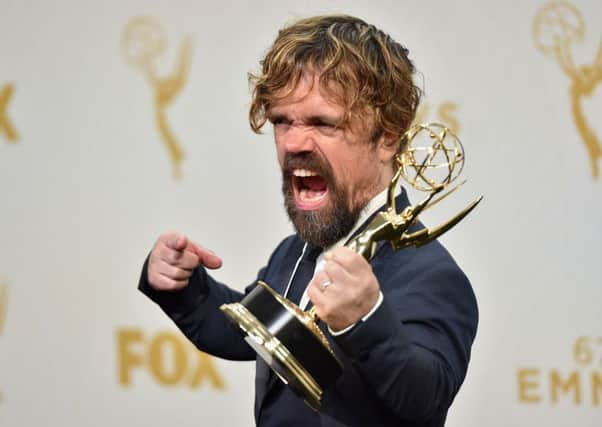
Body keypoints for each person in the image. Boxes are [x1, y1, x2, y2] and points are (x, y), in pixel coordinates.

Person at [138, 14, 478, 427]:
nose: (294, 143)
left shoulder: (429, 274)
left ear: (387, 137)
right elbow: (249, 333)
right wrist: (183, 284)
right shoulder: (294, 252)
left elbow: (425, 400)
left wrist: (366, 319)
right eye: (282, 121)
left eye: (322, 123)